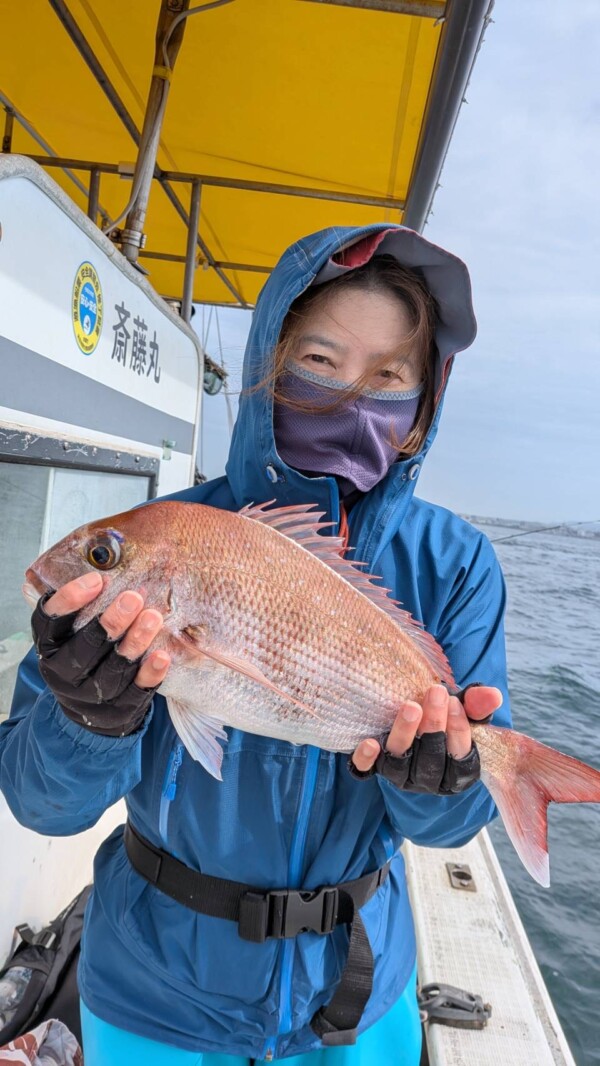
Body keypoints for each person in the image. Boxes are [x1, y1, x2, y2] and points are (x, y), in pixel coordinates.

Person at [0, 223, 510, 1065]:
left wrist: (442, 781)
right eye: (320, 360)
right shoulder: (177, 528)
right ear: (270, 365)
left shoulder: (454, 564)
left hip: (354, 994)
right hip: (153, 992)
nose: (352, 396)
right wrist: (84, 721)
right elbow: (39, 805)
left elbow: (453, 826)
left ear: (422, 409)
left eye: (389, 376)